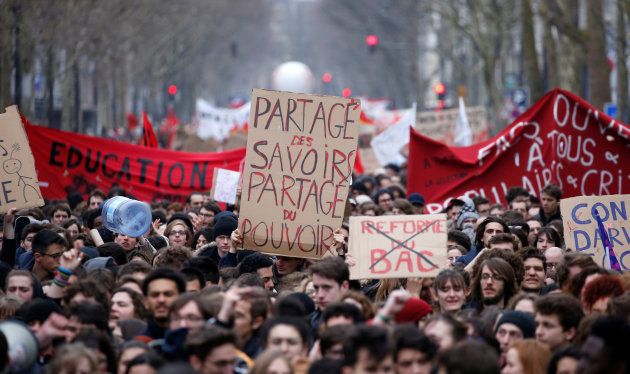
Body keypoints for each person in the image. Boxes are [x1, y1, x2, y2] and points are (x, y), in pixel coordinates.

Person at [309, 257, 350, 334]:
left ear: (344, 286)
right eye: (316, 288)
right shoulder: (306, 325)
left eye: (327, 288)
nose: (320, 295)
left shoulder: (362, 324)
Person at [142, 268, 186, 339]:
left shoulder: (197, 342)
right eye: (155, 295)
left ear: (182, 298)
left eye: (168, 294)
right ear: (146, 302)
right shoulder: (139, 346)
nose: (161, 300)